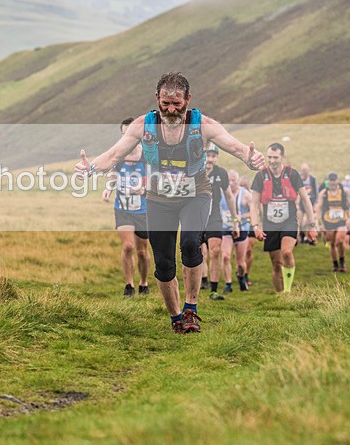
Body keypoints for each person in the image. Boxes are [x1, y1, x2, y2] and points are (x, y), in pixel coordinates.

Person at [76, 72, 264, 333]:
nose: (171, 110)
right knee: (163, 262)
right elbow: (115, 154)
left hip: (195, 194)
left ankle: (190, 309)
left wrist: (250, 158)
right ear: (157, 99)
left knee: (189, 243)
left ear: (188, 99)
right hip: (158, 198)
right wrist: (92, 167)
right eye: (166, 104)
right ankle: (176, 317)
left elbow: (236, 147)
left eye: (177, 104)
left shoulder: (204, 125)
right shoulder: (143, 125)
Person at [250, 143, 318, 293]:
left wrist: (312, 225)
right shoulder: (261, 176)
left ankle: (287, 291)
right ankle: (280, 295)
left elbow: (306, 200)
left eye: (275, 157)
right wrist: (256, 226)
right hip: (270, 223)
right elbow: (254, 204)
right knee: (276, 263)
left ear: (283, 157)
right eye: (269, 157)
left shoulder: (293, 174)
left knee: (286, 252)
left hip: (289, 221)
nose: (272, 160)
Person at [101, 118, 150, 297]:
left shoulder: (147, 156)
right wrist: (108, 189)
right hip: (122, 208)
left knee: (142, 252)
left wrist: (144, 190)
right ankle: (129, 286)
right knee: (128, 247)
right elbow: (114, 175)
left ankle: (144, 283)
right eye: (124, 135)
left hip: (143, 210)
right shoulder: (119, 156)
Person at [202, 144, 239, 300]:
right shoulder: (193, 170)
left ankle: (213, 290)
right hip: (195, 217)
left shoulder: (221, 173)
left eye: (213, 156)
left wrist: (235, 221)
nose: (210, 159)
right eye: (207, 155)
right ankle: (198, 283)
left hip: (214, 217)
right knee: (195, 253)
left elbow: (229, 197)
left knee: (215, 251)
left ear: (217, 158)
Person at [315, 172, 348, 272]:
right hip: (328, 220)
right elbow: (318, 206)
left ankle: (342, 261)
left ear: (337, 180)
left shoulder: (344, 191)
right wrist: (318, 220)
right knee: (332, 243)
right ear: (328, 181)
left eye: (334, 180)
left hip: (342, 219)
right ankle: (336, 264)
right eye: (331, 180)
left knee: (340, 241)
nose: (332, 182)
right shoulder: (324, 193)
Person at [227, 170, 252, 290]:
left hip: (242, 229)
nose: (231, 183)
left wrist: (241, 216)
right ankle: (228, 284)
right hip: (226, 229)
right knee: (225, 256)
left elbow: (254, 212)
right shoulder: (222, 193)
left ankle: (241, 276)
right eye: (229, 180)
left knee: (240, 263)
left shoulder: (246, 194)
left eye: (234, 180)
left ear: (237, 181)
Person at [240, 176, 257, 286]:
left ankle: (246, 274)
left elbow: (255, 211)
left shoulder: (252, 196)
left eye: (245, 186)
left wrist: (243, 215)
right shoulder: (235, 194)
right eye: (241, 186)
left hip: (250, 224)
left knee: (249, 249)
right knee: (241, 251)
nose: (243, 188)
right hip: (238, 225)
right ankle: (240, 271)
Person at [298, 163, 319, 245]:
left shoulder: (312, 179)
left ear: (308, 170)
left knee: (309, 221)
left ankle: (310, 238)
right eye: (303, 170)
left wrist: (315, 204)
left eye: (305, 170)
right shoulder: (298, 178)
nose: (304, 172)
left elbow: (316, 192)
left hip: (310, 203)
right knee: (299, 221)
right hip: (300, 203)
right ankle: (301, 236)